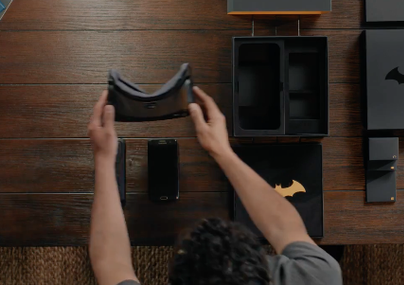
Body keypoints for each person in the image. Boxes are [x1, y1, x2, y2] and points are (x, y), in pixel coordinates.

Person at [88, 87, 343, 285]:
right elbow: (285, 227)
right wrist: (222, 152)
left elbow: (111, 263)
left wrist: (104, 157)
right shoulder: (318, 276)